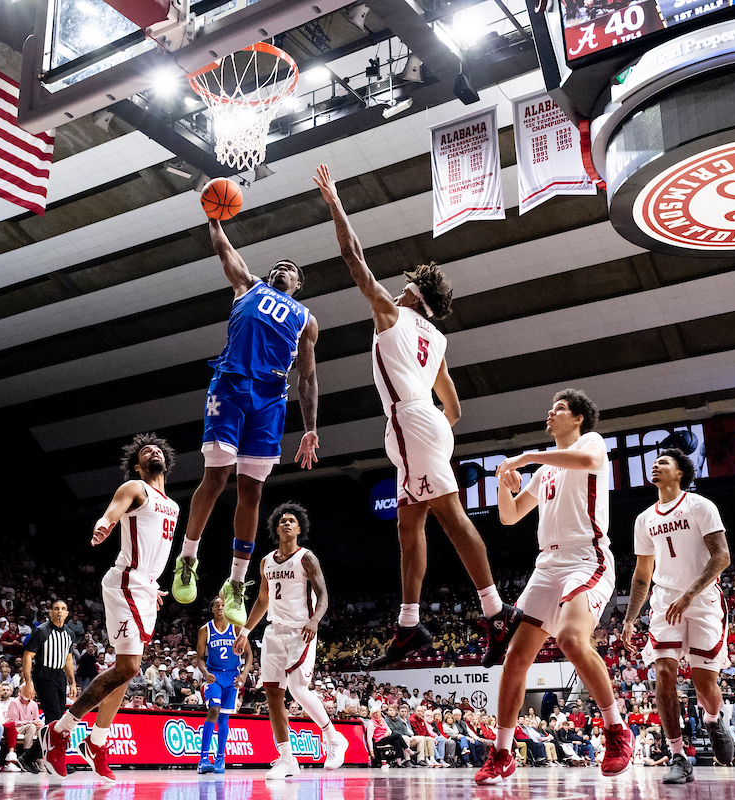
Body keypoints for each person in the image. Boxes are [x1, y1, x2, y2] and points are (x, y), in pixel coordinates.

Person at [312, 163, 522, 669]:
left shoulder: (392, 311)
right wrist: (431, 431)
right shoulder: (439, 340)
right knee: (409, 527)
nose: (399, 287)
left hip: (411, 422)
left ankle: (495, 611)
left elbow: (352, 257)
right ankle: (409, 625)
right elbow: (455, 406)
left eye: (407, 286)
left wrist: (336, 204)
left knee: (448, 516)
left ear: (414, 297)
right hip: (423, 423)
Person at [477, 390, 634, 783]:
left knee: (569, 638)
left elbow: (585, 460)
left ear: (579, 418)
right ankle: (501, 753)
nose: (550, 412)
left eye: (560, 408)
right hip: (546, 565)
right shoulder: (545, 471)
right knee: (515, 658)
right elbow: (510, 516)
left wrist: (527, 456)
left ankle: (617, 730)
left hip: (586, 558)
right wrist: (504, 482)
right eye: (551, 407)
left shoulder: (590, 443)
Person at [171, 217, 321, 626]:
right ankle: (187, 559)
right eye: (278, 265)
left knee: (251, 492)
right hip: (232, 384)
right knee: (216, 478)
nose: (281, 269)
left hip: (271, 398)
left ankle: (236, 583)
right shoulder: (249, 285)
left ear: (298, 282)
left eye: (289, 268)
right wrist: (213, 216)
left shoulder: (307, 319)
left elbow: (307, 377)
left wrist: (309, 428)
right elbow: (223, 249)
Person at [39, 434, 181, 784]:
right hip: (124, 582)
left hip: (145, 586)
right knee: (131, 665)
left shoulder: (174, 506)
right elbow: (112, 513)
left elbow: (155, 549)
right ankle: (59, 732)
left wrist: (152, 584)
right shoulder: (136, 487)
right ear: (137, 465)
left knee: (126, 670)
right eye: (146, 451)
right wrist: (104, 525)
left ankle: (98, 741)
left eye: (158, 449)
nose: (153, 451)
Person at [623, 449, 735, 783]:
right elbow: (642, 574)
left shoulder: (700, 506)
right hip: (665, 600)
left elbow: (722, 556)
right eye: (655, 462)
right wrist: (630, 618)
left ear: (680, 473)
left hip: (701, 599)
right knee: (664, 673)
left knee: (704, 686)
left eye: (664, 462)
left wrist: (690, 593)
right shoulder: (644, 519)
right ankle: (677, 755)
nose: (656, 465)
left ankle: (714, 718)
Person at [232, 502, 348, 780]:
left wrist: (314, 620)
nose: (286, 523)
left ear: (299, 528)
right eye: (282, 520)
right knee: (273, 695)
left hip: (301, 630)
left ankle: (334, 737)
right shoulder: (265, 561)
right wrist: (246, 631)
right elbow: (262, 600)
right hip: (274, 632)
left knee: (298, 689)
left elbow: (323, 596)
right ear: (276, 528)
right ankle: (286, 759)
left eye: (291, 521)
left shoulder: (307, 558)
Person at [196, 596, 253, 773]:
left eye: (223, 605)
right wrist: (205, 673)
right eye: (217, 605)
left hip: (232, 677)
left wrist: (244, 674)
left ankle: (220, 759)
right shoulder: (205, 630)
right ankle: (203, 759)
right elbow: (199, 658)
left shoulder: (237, 628)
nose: (220, 608)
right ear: (212, 609)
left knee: (224, 718)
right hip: (214, 676)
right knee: (214, 709)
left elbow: (249, 655)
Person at [22, 601, 77, 724]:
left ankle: (42, 743)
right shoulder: (41, 631)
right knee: (53, 713)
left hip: (59, 674)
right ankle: (52, 742)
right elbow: (27, 656)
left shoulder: (69, 634)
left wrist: (72, 682)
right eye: (56, 608)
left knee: (60, 712)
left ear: (67, 613)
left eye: (63, 609)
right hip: (43, 673)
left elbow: (68, 659)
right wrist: (28, 682)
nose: (59, 611)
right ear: (51, 612)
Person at [7, 685, 44, 773]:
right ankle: (26, 755)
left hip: (29, 727)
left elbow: (36, 719)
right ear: (20, 690)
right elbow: (14, 722)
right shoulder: (14, 702)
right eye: (26, 690)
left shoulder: (34, 704)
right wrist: (31, 722)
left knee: (42, 730)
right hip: (17, 728)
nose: (28, 692)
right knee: (31, 727)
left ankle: (38, 756)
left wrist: (38, 723)